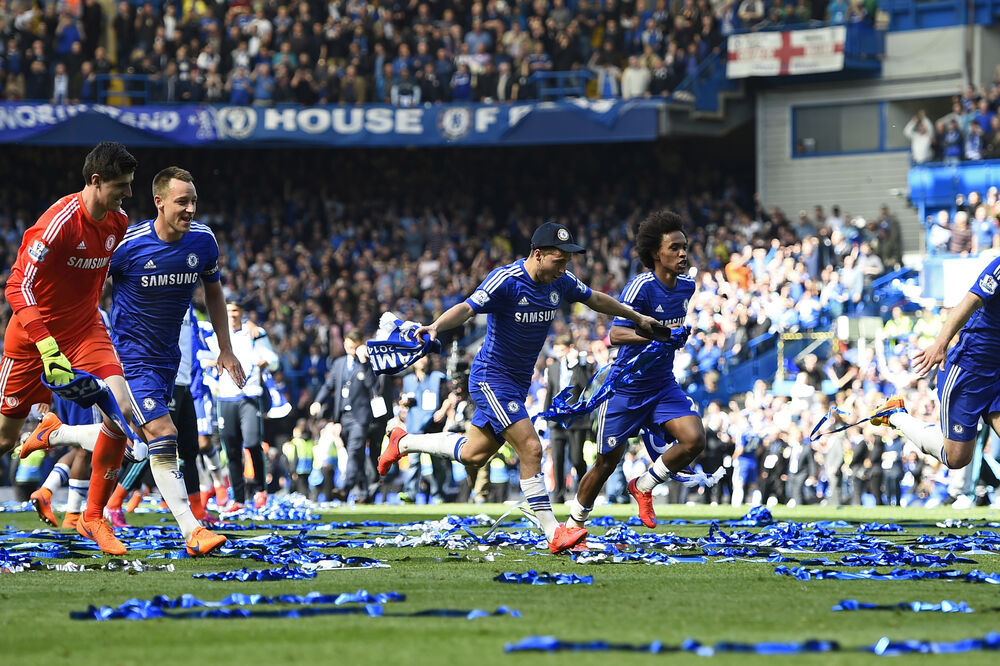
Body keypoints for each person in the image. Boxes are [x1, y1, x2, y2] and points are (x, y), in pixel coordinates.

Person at [377, 221, 660, 553]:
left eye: (568, 261)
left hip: (516, 384)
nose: (564, 268)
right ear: (538, 254)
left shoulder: (561, 281)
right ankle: (554, 533)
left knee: (474, 454)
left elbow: (595, 298)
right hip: (490, 378)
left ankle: (403, 441)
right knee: (532, 448)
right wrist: (436, 326)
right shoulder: (506, 280)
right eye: (559, 260)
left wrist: (637, 318)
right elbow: (467, 308)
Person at [22, 166, 245, 556]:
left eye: (193, 201)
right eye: (182, 201)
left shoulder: (204, 241)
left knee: (132, 444)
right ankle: (192, 531)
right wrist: (67, 340)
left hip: (167, 361)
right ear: (159, 202)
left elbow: (213, 291)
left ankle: (56, 434)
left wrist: (226, 349)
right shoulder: (127, 244)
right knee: (162, 434)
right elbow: (86, 288)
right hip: (128, 360)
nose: (190, 209)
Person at [1, 142, 137, 555]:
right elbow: (17, 285)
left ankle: (91, 517)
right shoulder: (59, 222)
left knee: (121, 410)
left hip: (85, 332)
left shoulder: (118, 222)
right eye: (121, 185)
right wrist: (46, 344)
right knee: (5, 438)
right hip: (32, 340)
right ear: (96, 181)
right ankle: (49, 432)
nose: (128, 193)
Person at [562, 210, 703, 529]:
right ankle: (573, 525)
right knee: (606, 463)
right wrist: (660, 335)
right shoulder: (641, 286)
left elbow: (670, 332)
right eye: (674, 248)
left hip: (662, 383)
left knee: (694, 439)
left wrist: (677, 336)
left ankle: (643, 486)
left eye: (684, 247)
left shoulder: (687, 286)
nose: (682, 253)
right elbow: (616, 334)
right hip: (626, 387)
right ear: (656, 254)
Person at [871, 255, 1000, 472]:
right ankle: (896, 415)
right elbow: (969, 301)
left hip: (996, 374)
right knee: (956, 458)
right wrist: (941, 343)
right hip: (969, 369)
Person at [218, 301, 278, 510]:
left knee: (252, 443)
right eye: (228, 311)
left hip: (250, 396)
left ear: (242, 312)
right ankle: (239, 499)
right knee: (231, 449)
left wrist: (266, 361)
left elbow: (274, 359)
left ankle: (261, 490)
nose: (232, 314)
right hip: (226, 397)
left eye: (235, 310)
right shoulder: (217, 333)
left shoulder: (254, 333)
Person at [311, 329, 381, 502]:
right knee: (355, 456)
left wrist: (364, 361)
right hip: (343, 417)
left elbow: (372, 385)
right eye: (348, 346)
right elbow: (328, 385)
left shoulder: (368, 363)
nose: (351, 350)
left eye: (354, 347)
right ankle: (363, 493)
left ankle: (345, 488)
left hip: (360, 417)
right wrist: (318, 401)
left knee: (354, 451)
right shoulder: (339, 363)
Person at [544, 334, 592, 503]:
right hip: (557, 420)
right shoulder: (553, 367)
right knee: (557, 459)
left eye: (562, 350)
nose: (559, 354)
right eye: (556, 351)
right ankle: (558, 496)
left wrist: (576, 364)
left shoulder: (583, 366)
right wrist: (545, 416)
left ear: (571, 348)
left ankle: (585, 491)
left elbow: (586, 385)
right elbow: (550, 393)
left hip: (576, 421)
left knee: (576, 458)